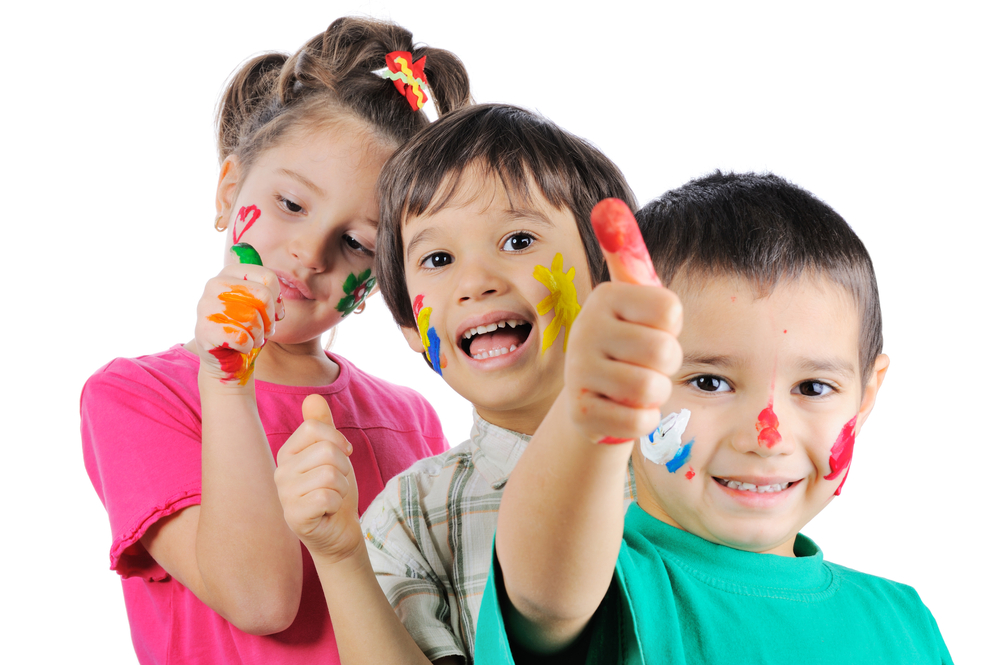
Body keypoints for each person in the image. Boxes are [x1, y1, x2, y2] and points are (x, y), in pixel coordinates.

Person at [80, 17, 470, 665]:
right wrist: (226, 380)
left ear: (385, 272)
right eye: (292, 203)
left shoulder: (412, 418)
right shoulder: (136, 396)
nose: (308, 253)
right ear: (230, 190)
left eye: (357, 243)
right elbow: (262, 600)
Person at [475, 171, 953, 663]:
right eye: (709, 382)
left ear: (866, 394)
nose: (767, 438)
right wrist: (593, 412)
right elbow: (543, 595)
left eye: (813, 387)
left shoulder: (906, 621)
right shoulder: (608, 589)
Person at [274, 104, 638, 664]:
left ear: (609, 274)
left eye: (518, 241)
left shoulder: (685, 457)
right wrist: (339, 554)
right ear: (409, 327)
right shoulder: (409, 515)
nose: (475, 282)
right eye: (438, 258)